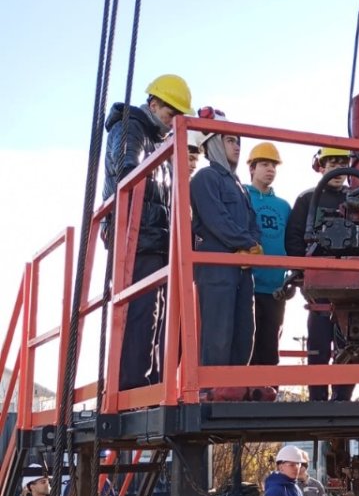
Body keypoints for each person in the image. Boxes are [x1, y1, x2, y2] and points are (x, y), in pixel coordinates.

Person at [102, 74, 193, 390]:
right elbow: (128, 171)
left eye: (178, 116)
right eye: (170, 113)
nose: (173, 121)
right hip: (135, 236)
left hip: (153, 237)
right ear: (153, 104)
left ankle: (151, 384)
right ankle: (133, 388)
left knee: (156, 315)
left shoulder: (159, 141)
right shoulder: (131, 128)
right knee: (142, 313)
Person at [189, 111, 262, 391]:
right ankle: (211, 392)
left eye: (238, 141)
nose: (237, 146)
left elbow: (253, 222)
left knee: (244, 333)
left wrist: (252, 246)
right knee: (217, 334)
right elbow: (216, 219)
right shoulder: (204, 178)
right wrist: (247, 244)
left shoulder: (239, 186)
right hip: (217, 269)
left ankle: (233, 390)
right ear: (213, 143)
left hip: (242, 269)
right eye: (230, 140)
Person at [284, 147, 355, 402]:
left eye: (342, 164)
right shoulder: (307, 199)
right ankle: (318, 401)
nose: (338, 170)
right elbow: (294, 237)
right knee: (319, 344)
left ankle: (342, 400)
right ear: (320, 167)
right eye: (332, 164)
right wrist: (303, 272)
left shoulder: (357, 199)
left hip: (351, 283)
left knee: (349, 345)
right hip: (318, 283)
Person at [246, 142, 291, 366]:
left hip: (275, 288)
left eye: (274, 165)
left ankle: (269, 387)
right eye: (264, 164)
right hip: (247, 286)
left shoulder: (284, 206)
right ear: (252, 168)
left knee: (270, 348)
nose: (270, 169)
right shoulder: (242, 196)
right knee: (247, 348)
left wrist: (292, 278)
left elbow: (292, 243)